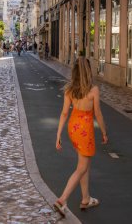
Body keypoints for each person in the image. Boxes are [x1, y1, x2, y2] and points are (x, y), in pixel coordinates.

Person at [54, 57, 108, 217]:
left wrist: (58, 134)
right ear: (88, 71)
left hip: (73, 128)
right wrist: (104, 132)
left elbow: (64, 113)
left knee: (84, 164)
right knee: (81, 168)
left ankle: (85, 198)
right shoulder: (93, 90)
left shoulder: (69, 90)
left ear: (75, 71)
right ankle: (62, 200)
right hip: (85, 131)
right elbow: (97, 114)